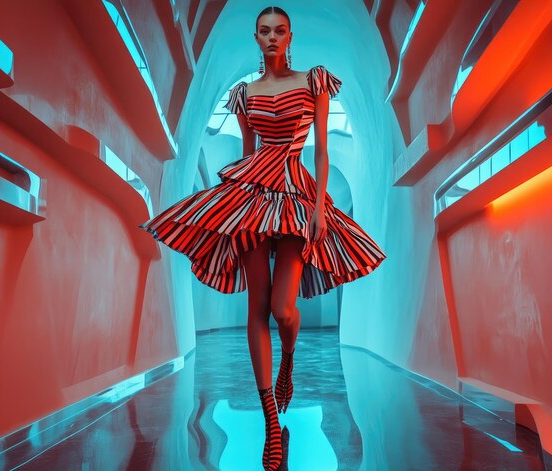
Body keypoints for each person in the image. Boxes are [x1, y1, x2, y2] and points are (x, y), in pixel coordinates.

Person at [139, 5, 386, 470]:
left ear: (290, 36)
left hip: (295, 196)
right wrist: (230, 208)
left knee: (282, 308)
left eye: (280, 31)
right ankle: (272, 420)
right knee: (256, 307)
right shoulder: (244, 93)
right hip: (253, 199)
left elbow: (321, 152)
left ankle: (288, 358)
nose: (272, 38)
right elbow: (248, 157)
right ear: (256, 38)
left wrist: (317, 207)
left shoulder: (314, 81)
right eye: (264, 32)